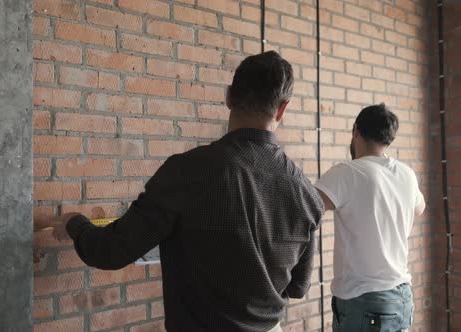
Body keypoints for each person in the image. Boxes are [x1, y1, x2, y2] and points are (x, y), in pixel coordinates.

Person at [37, 51, 323, 332]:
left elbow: (111, 251)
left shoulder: (189, 171)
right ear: (283, 108)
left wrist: (75, 224)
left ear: (229, 97)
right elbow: (298, 286)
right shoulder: (306, 193)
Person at [315, 104, 425, 332]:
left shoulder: (348, 172)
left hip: (365, 301)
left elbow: (306, 207)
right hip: (401, 297)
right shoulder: (406, 174)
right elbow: (419, 208)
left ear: (356, 131)